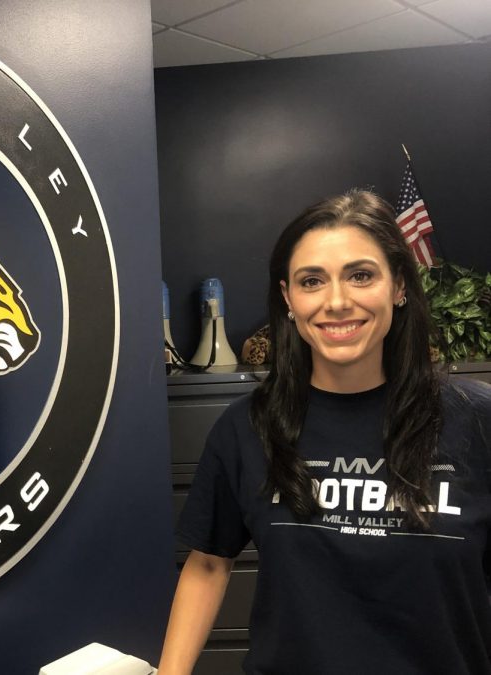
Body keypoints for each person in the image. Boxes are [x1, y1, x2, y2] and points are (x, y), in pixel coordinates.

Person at [158, 190, 491, 674]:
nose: (337, 301)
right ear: (289, 299)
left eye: (361, 275)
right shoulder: (248, 426)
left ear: (399, 286)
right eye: (312, 281)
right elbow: (208, 563)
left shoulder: (477, 421)